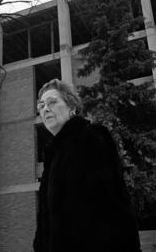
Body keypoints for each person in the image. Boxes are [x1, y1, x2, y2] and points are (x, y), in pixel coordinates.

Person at [33, 79, 141, 252]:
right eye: (41, 106)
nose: (45, 109)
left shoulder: (91, 137)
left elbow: (116, 205)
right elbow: (46, 223)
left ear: (72, 107)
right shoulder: (52, 156)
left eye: (52, 102)